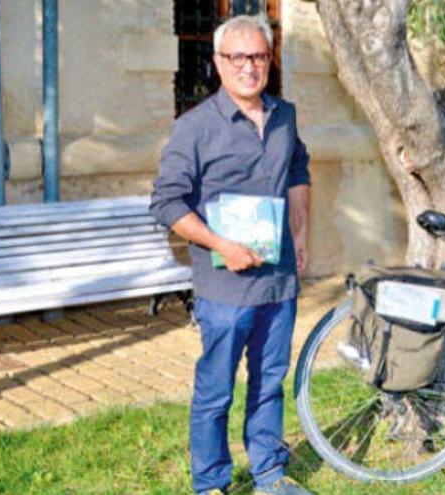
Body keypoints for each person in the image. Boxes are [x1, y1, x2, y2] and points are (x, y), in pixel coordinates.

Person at [150, 14, 311, 495]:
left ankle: (268, 474)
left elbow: (299, 173)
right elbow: (166, 204)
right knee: (216, 390)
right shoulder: (194, 128)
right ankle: (210, 484)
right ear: (219, 62)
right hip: (225, 289)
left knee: (269, 381)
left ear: (269, 60)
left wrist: (301, 236)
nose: (249, 66)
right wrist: (222, 245)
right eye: (237, 57)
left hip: (279, 282)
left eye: (258, 56)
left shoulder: (285, 116)